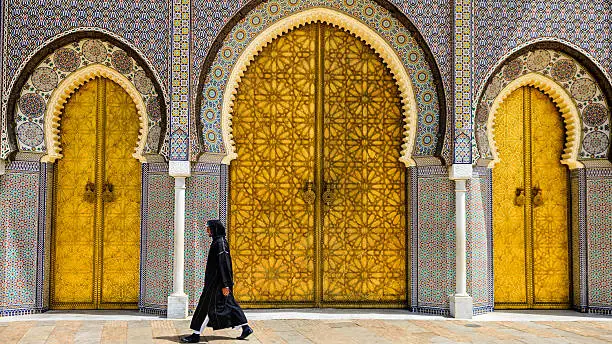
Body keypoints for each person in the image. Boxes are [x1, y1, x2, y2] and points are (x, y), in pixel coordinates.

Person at [180, 220, 253, 343]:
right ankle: (245, 327)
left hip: (217, 284)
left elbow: (224, 265)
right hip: (215, 283)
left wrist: (225, 285)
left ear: (215, 229)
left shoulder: (220, 243)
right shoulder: (217, 242)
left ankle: (196, 334)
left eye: (209, 228)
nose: (207, 230)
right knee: (229, 305)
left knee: (206, 308)